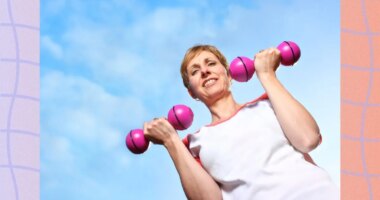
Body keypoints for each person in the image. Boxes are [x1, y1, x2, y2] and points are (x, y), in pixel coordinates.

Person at [143, 44, 339, 200]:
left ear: (229, 74)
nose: (204, 71)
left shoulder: (269, 105)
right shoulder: (194, 145)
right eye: (194, 71)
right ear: (191, 92)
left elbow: (308, 139)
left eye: (211, 63)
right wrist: (171, 141)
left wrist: (267, 74)